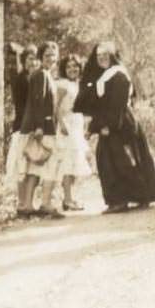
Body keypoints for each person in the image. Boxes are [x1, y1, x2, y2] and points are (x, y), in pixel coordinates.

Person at [75, 41, 155, 214]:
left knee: (117, 162)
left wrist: (108, 126)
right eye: (99, 56)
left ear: (112, 56)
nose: (102, 59)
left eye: (105, 56)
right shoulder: (106, 76)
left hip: (119, 124)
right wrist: (93, 128)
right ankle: (138, 196)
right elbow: (100, 106)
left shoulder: (118, 75)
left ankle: (120, 201)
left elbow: (117, 104)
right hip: (114, 122)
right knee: (120, 161)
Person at [19, 41, 65, 219]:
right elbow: (38, 102)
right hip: (44, 128)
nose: (50, 58)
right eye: (46, 55)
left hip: (45, 126)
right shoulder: (41, 75)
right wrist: (38, 126)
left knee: (35, 166)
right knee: (48, 165)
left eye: (53, 55)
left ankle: (28, 205)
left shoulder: (46, 75)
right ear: (40, 57)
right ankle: (44, 204)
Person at [4, 45, 39, 215]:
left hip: (32, 127)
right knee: (22, 166)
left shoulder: (34, 78)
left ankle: (28, 203)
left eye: (35, 58)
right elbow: (23, 107)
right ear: (24, 60)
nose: (33, 62)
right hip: (23, 127)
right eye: (30, 58)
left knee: (32, 166)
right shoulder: (22, 79)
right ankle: (22, 203)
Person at [55, 53, 90, 210]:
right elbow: (55, 107)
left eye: (75, 66)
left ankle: (71, 198)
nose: (72, 69)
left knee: (75, 162)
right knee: (67, 162)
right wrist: (62, 124)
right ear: (64, 69)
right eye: (68, 67)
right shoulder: (62, 84)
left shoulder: (77, 84)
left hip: (76, 125)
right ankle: (67, 199)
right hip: (67, 125)